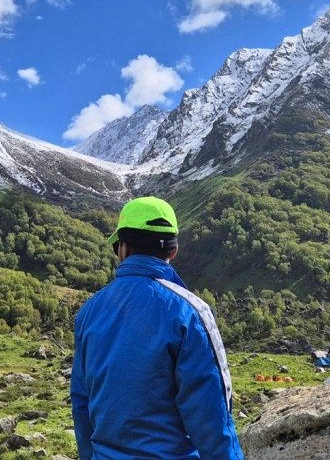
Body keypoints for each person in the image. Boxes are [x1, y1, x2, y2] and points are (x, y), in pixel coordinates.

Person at [71, 196, 244, 459]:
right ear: (173, 251)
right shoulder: (191, 313)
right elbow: (212, 419)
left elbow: (81, 405)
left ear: (122, 249)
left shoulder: (89, 311)